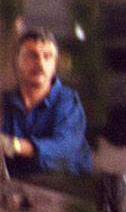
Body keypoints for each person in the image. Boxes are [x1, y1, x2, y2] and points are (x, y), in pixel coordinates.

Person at [1, 28, 93, 177]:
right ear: (17, 60)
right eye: (32, 55)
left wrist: (14, 146)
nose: (40, 63)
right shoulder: (5, 103)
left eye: (47, 56)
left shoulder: (68, 102)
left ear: (55, 63)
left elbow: (63, 147)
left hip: (63, 189)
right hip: (15, 190)